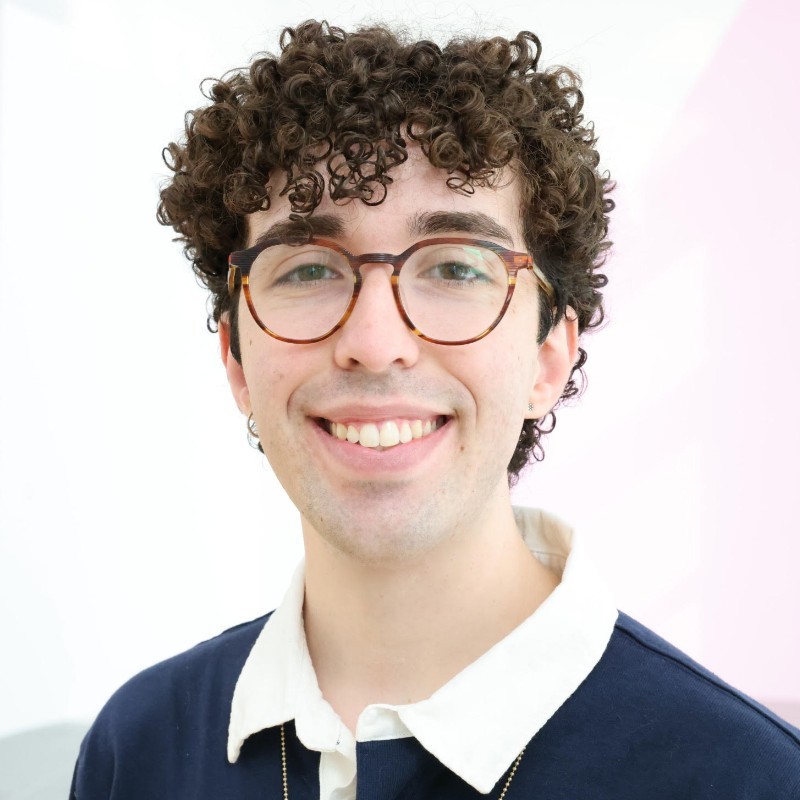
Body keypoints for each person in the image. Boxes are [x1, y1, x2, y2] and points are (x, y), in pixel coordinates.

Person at [70, 19, 800, 799]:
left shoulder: (746, 776)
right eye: (309, 268)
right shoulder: (137, 750)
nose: (375, 341)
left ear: (549, 357)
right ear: (237, 362)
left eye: (454, 266)